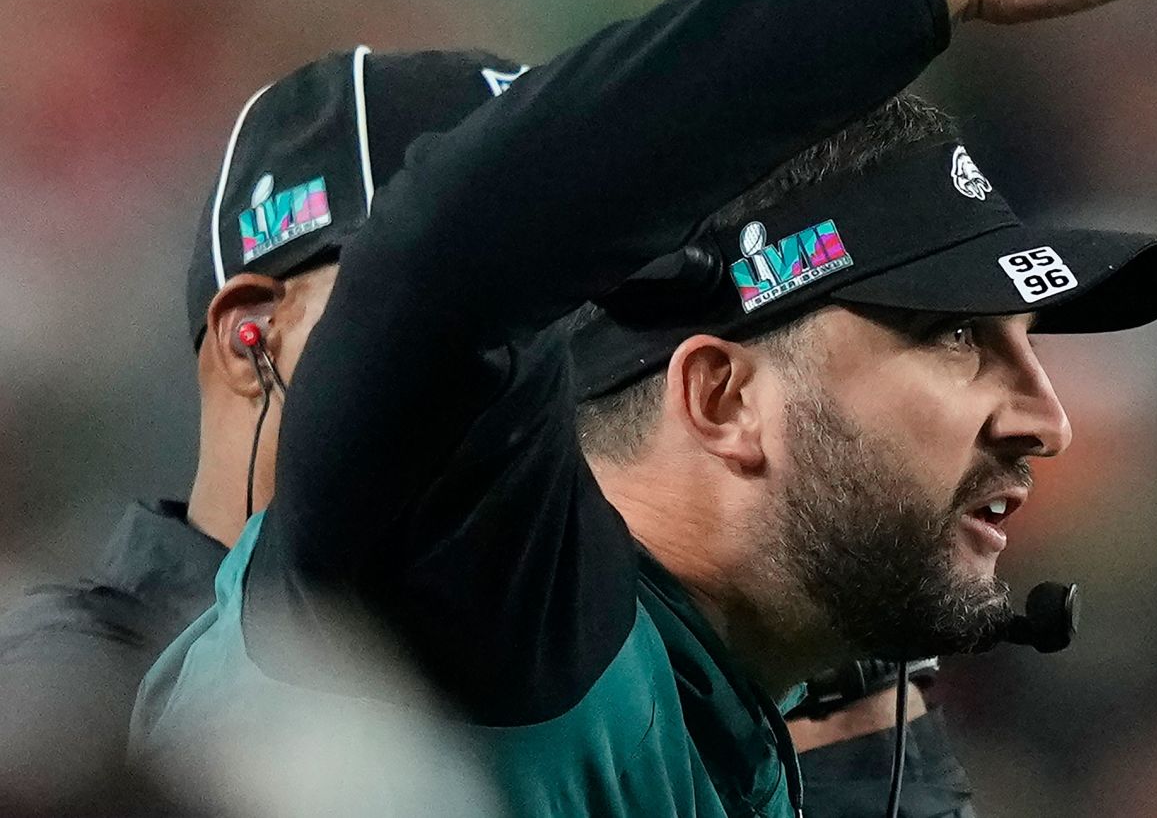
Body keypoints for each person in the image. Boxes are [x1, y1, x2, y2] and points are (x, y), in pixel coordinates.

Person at [132, 0, 1157, 817]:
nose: (1044, 415)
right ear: (721, 395)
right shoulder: (487, 597)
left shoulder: (727, 728)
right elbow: (444, 251)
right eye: (953, 335)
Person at [0, 47, 973, 814]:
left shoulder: (644, 666)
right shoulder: (66, 695)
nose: (544, 363)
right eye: (495, 322)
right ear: (252, 331)